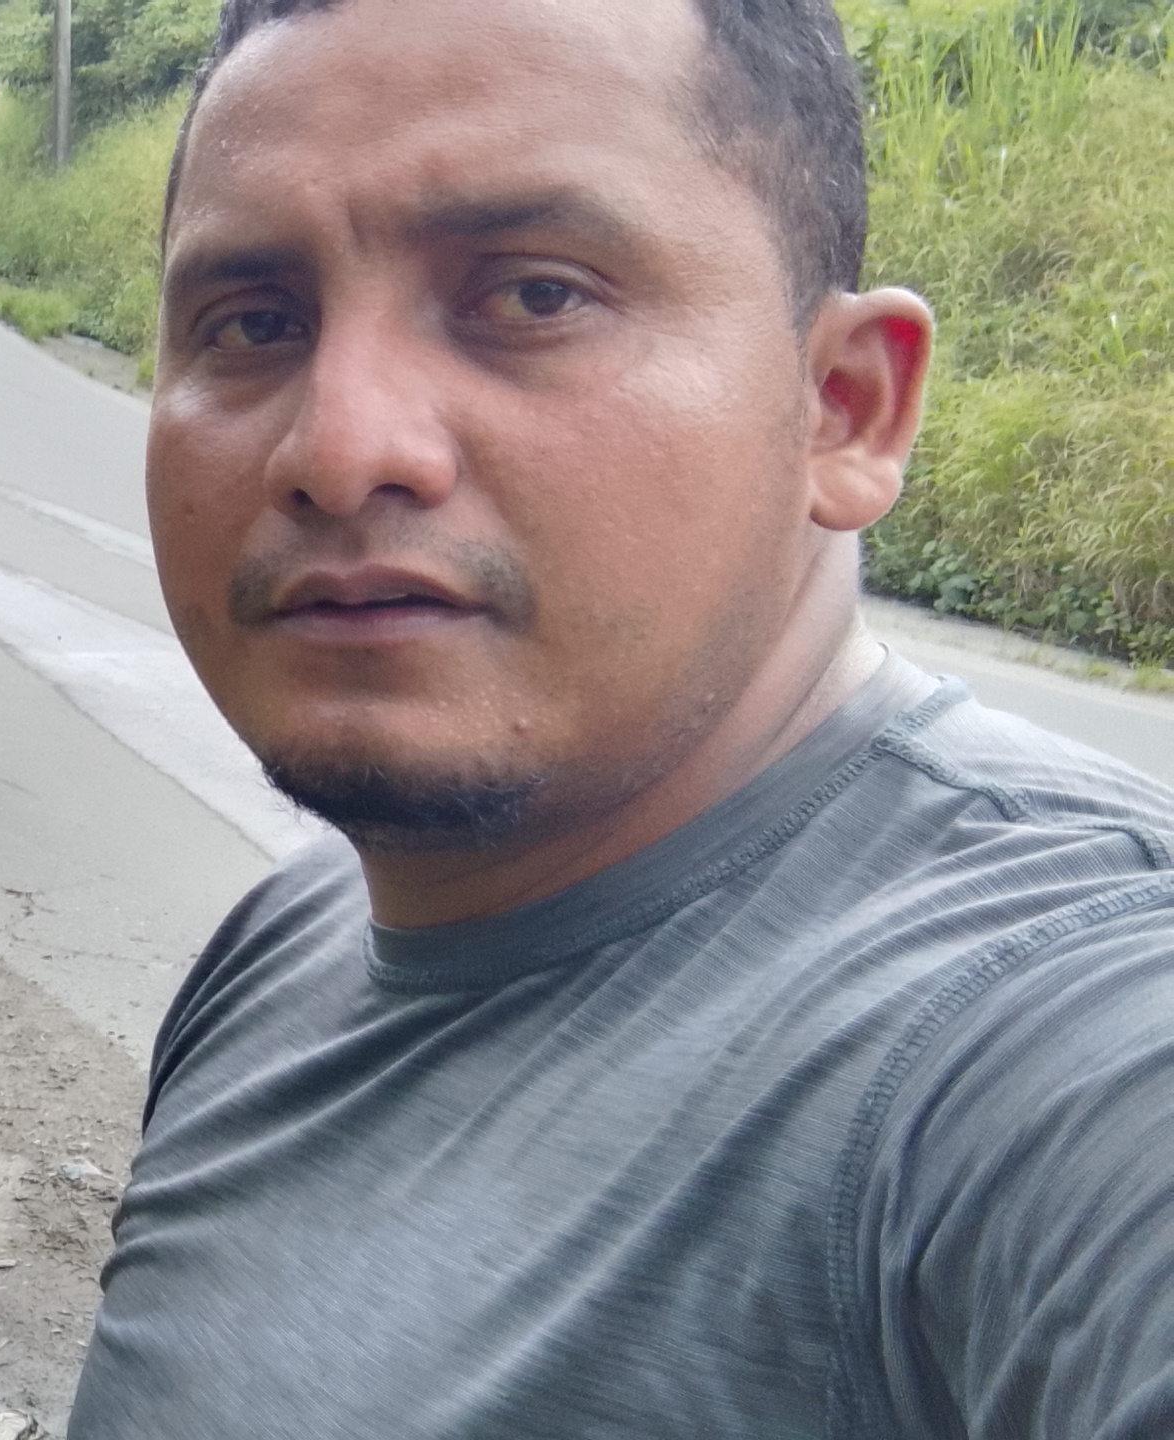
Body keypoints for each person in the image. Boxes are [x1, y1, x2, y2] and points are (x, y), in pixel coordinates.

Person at [71, 0, 1174, 1436]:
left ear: (843, 408)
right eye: (255, 323)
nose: (339, 449)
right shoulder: (286, 947)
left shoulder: (1065, 1031)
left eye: (535, 297)